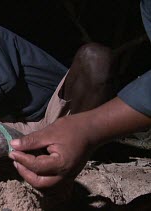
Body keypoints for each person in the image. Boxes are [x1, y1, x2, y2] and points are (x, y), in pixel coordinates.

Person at [8, 0, 151, 191]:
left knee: (95, 56)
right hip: (37, 123)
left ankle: (78, 144)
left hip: (52, 113)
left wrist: (87, 128)